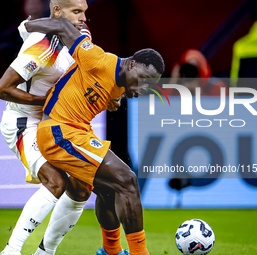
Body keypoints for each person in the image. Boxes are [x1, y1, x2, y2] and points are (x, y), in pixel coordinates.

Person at [24, 16, 164, 255]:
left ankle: (111, 251)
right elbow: (62, 26)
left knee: (109, 191)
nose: (142, 90)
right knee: (127, 180)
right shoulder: (97, 59)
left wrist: (114, 97)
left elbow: (97, 87)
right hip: (59, 131)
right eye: (143, 81)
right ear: (131, 65)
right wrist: (26, 27)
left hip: (75, 132)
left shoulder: (121, 83)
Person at [0, 1, 121, 255]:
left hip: (58, 124)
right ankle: (11, 251)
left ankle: (45, 252)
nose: (84, 18)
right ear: (57, 12)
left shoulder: (81, 36)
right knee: (55, 181)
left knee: (82, 186)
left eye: (85, 11)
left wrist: (108, 94)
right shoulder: (41, 46)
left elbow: (89, 72)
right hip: (25, 123)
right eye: (77, 12)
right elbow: (2, 89)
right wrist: (49, 101)